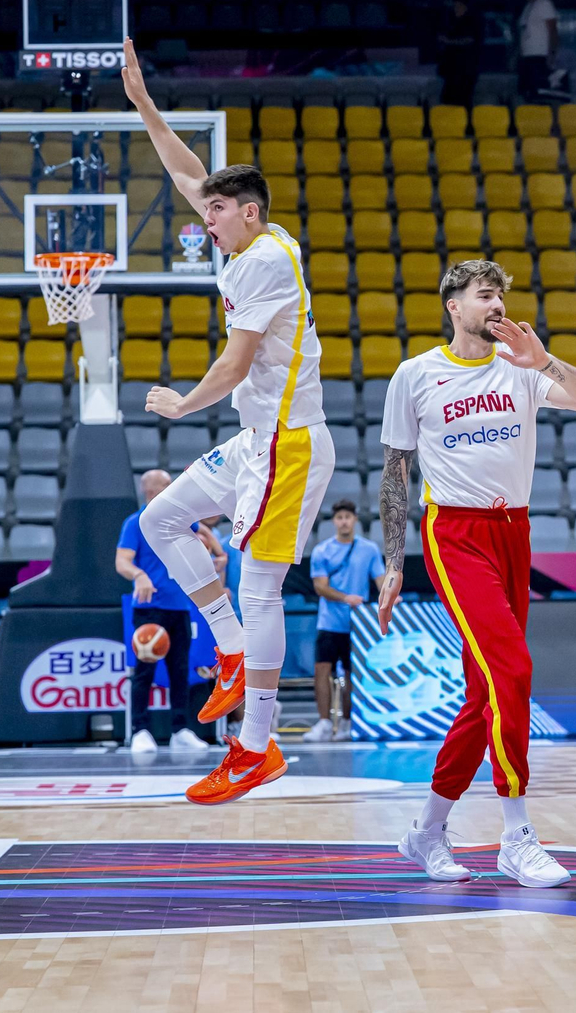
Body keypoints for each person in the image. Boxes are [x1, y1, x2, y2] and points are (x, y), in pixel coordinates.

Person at [122, 40, 334, 805]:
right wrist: (145, 104)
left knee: (263, 586)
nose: (202, 219)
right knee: (161, 519)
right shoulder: (254, 238)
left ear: (248, 212)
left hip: (288, 444)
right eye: (205, 209)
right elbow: (186, 172)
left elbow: (235, 365)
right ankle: (237, 655)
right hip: (255, 440)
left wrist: (181, 403)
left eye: (216, 210)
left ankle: (256, 747)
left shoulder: (262, 263)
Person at [376, 259, 576, 888]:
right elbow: (395, 475)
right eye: (485, 295)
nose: (497, 305)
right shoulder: (416, 375)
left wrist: (547, 363)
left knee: (486, 696)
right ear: (454, 305)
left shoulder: (521, 368)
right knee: (512, 668)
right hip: (453, 533)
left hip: (514, 532)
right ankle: (516, 834)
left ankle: (426, 831)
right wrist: (394, 563)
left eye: (501, 294)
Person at [114, 468, 217, 756]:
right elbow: (122, 561)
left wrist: (212, 557)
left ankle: (180, 730)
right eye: (168, 484)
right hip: (149, 610)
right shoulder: (136, 523)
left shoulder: (181, 520)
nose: (174, 488)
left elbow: (204, 542)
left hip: (179, 607)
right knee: (144, 671)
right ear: (152, 491)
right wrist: (138, 575)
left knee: (180, 671)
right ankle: (140, 731)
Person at [305, 498, 385, 742]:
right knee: (322, 670)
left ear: (355, 520)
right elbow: (320, 587)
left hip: (358, 624)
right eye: (339, 518)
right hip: (329, 623)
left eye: (348, 517)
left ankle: (349, 723)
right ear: (334, 522)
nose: (344, 522)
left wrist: (390, 596)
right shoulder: (322, 551)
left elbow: (381, 580)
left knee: (352, 673)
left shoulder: (369, 549)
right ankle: (324, 723)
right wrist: (345, 598)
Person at [517, 0, 558, 102]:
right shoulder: (527, 7)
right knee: (526, 93)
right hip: (527, 56)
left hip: (540, 56)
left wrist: (552, 53)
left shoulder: (544, 3)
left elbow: (553, 30)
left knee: (539, 94)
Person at [437, 0, 482, 108]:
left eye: (459, 6)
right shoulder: (452, 22)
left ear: (465, 7)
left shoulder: (471, 20)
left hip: (465, 70)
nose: (456, 9)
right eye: (455, 6)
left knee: (462, 100)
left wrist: (448, 41)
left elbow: (469, 40)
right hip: (453, 70)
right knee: (448, 100)